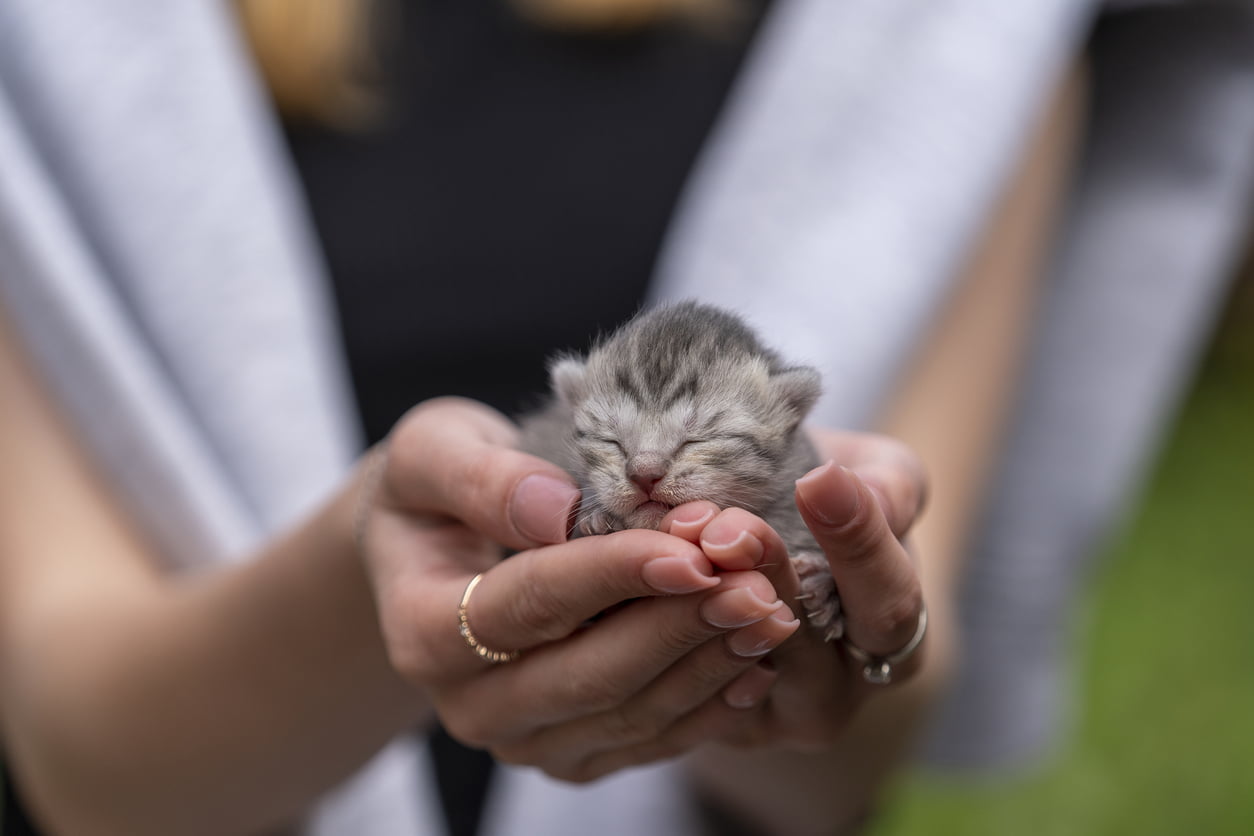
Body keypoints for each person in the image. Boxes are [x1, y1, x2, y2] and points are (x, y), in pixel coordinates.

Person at [1, 1, 1250, 834]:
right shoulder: (46, 58)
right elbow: (82, 753)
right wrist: (364, 579)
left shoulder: (955, 42)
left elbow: (861, 732)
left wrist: (813, 661)